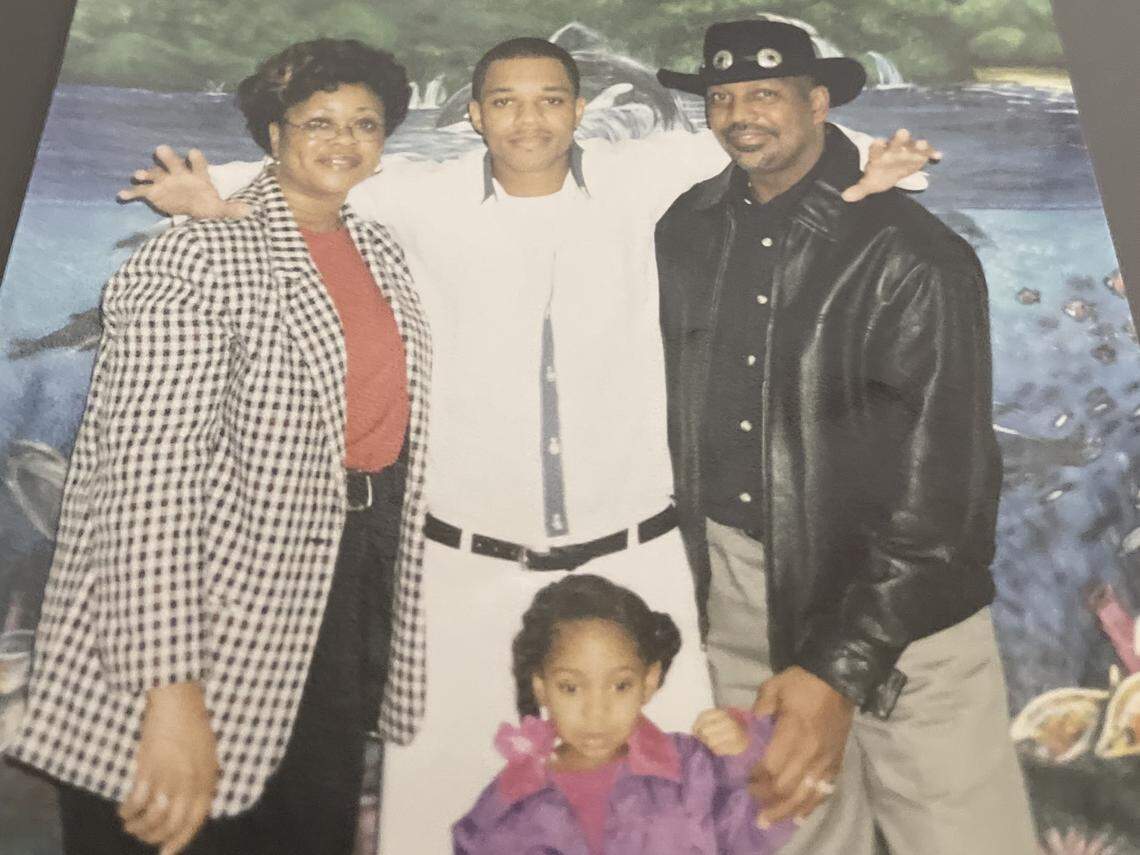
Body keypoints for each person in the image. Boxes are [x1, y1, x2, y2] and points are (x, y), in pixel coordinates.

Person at [117, 35, 936, 853]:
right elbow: (313, 176)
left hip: (635, 562)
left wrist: (878, 172)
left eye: (550, 98)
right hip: (457, 573)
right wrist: (212, 196)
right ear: (474, 115)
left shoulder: (644, 176)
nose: (528, 118)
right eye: (504, 100)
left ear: (580, 110)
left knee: (669, 815)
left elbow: (776, 140)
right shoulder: (419, 195)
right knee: (434, 819)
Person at [8, 39, 431, 855]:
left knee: (304, 821)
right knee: (179, 822)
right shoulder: (194, 256)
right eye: (318, 121)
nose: (344, 140)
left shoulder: (379, 251)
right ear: (273, 135)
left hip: (341, 588)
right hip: (204, 596)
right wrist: (171, 696)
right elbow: (142, 487)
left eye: (365, 123)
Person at [655, 20, 1039, 854]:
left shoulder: (915, 256)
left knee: (963, 838)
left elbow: (947, 499)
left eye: (764, 93)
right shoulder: (685, 230)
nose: (739, 114)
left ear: (818, 101)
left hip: (903, 619)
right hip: (742, 596)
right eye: (721, 97)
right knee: (785, 833)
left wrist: (841, 665)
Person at [453, 573, 795, 855]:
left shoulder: (693, 770)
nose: (596, 712)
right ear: (542, 687)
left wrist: (742, 756)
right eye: (571, 688)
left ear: (649, 681)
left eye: (620, 686)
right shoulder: (516, 796)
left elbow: (758, 832)